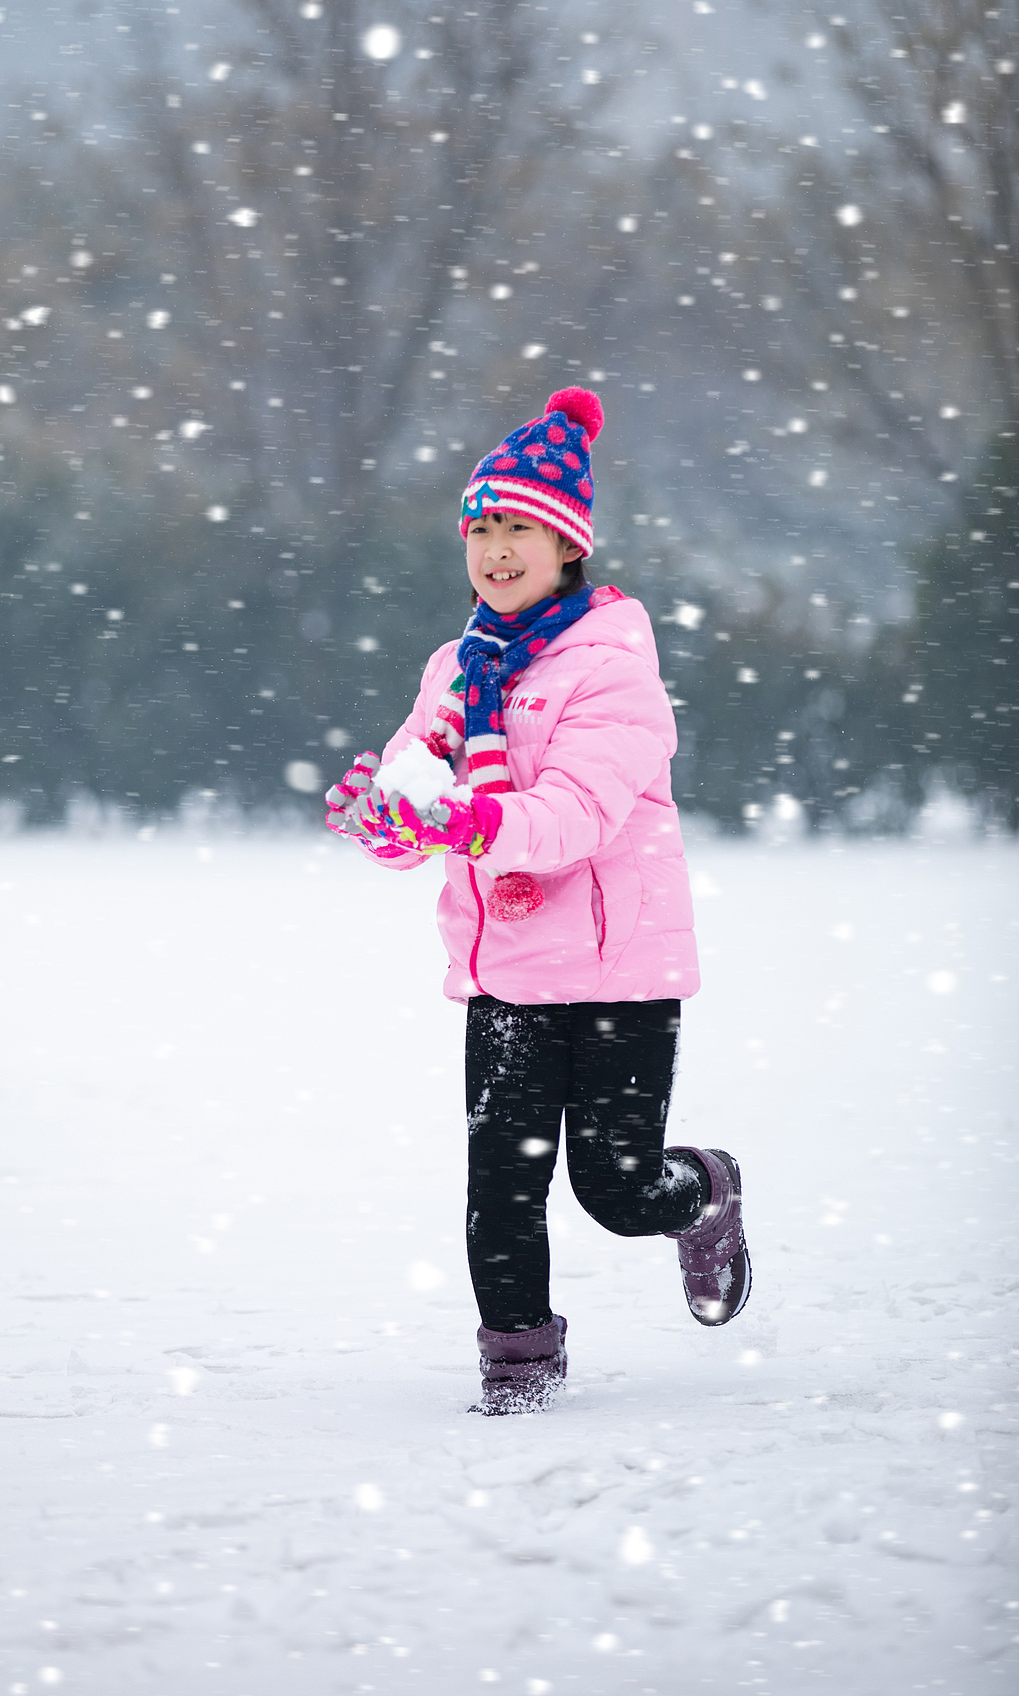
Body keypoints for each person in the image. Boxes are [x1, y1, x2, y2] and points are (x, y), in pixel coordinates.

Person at [324, 386, 751, 1415]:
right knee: (500, 1189)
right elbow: (418, 783)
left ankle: (703, 1191)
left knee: (612, 1189)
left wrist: (472, 824)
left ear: (567, 543)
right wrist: (387, 818)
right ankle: (516, 1358)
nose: (493, 549)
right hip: (506, 970)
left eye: (515, 526)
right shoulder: (453, 667)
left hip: (617, 971)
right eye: (478, 529)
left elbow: (573, 816)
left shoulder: (612, 670)